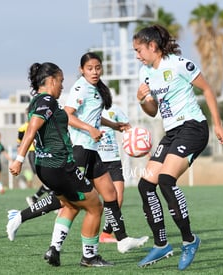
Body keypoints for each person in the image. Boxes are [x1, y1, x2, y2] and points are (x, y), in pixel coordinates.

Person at [132, 25, 223, 270]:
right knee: (145, 186)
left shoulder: (179, 64)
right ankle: (162, 245)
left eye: (139, 50)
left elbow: (206, 89)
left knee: (166, 180)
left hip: (194, 128)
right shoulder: (145, 73)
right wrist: (142, 99)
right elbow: (152, 111)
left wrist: (218, 124)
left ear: (153, 46)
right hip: (172, 132)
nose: (137, 55)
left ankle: (189, 240)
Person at [42, 52, 148, 264]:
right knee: (72, 204)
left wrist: (113, 125)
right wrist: (90, 129)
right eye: (90, 68)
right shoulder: (80, 88)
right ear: (82, 70)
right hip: (80, 150)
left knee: (110, 195)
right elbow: (68, 115)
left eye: (97, 67)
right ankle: (40, 232)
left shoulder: (96, 89)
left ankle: (122, 239)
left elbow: (93, 115)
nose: (94, 71)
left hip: (92, 151)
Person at [9, 62, 113, 267]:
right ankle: (89, 257)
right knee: (95, 207)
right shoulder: (47, 100)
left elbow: (60, 119)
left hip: (46, 167)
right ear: (52, 80)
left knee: (70, 204)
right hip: (59, 165)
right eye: (61, 81)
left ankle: (54, 249)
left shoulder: (40, 102)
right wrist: (19, 159)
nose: (62, 86)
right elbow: (32, 128)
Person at [97, 104, 130, 243]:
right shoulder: (89, 108)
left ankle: (105, 233)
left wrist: (137, 142)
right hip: (95, 158)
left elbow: (127, 128)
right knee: (80, 199)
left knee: (118, 197)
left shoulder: (115, 109)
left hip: (114, 159)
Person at [17, 119, 51, 205]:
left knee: (48, 179)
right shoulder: (23, 127)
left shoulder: (43, 122)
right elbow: (19, 142)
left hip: (45, 152)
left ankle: (36, 198)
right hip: (34, 153)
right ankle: (47, 199)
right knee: (46, 178)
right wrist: (20, 158)